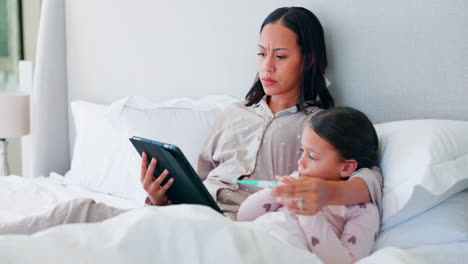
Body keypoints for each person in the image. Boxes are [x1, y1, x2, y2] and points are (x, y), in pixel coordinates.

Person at [141, 6, 383, 220]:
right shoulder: (234, 113)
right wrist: (161, 197)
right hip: (193, 213)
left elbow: (368, 179)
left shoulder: (319, 126)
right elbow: (200, 181)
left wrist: (325, 192)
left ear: (308, 59)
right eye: (261, 54)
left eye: (280, 56)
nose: (267, 66)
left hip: (241, 224)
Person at [237, 107, 380, 264]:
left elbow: (346, 261)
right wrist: (277, 191)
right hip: (252, 240)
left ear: (346, 168)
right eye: (302, 151)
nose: (300, 162)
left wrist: (308, 213)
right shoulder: (296, 180)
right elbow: (243, 217)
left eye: (312, 156)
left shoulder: (362, 211)